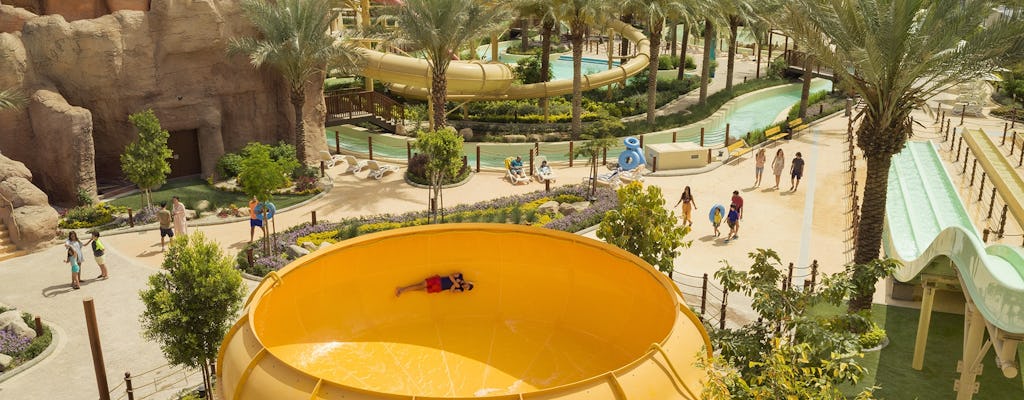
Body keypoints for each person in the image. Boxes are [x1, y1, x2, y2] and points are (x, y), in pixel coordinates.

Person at [396, 272, 474, 296]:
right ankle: (402, 290)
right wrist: (455, 282)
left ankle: (402, 290)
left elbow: (451, 291)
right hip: (438, 281)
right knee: (419, 285)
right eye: (467, 285)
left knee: (419, 289)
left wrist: (455, 285)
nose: (466, 287)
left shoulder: (460, 289)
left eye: (466, 288)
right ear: (467, 283)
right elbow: (450, 275)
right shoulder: (460, 276)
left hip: (439, 288)